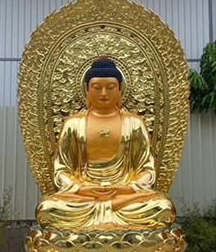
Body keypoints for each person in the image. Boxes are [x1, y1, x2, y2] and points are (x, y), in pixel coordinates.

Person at [36, 57, 176, 230]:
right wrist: (80, 189)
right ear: (87, 89)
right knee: (47, 209)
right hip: (85, 197)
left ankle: (99, 221)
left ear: (120, 89)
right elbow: (62, 169)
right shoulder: (73, 124)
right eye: (96, 87)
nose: (103, 93)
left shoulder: (134, 123)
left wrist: (125, 189)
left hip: (124, 197)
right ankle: (113, 220)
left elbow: (146, 169)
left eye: (110, 87)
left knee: (164, 207)